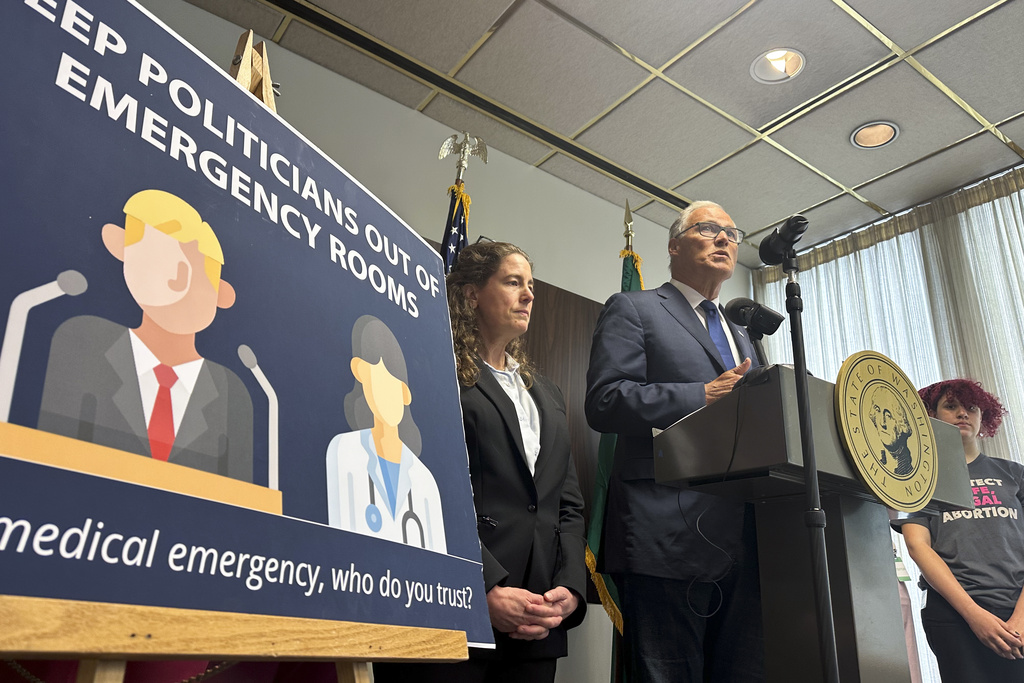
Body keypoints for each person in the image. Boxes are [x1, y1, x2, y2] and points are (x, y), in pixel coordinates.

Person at [375, 241, 586, 683]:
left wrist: (570, 590)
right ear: (472, 294)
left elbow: (566, 503)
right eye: (513, 282)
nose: (529, 295)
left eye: (530, 285)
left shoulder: (546, 393)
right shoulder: (435, 369)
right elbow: (424, 486)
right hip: (456, 608)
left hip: (538, 618)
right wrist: (481, 587)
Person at [585, 200, 763, 682]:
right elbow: (605, 401)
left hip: (745, 538)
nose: (725, 238)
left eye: (732, 232)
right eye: (708, 229)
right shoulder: (635, 308)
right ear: (673, 245)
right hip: (664, 531)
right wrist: (700, 395)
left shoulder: (742, 333)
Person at [37, 189, 253, 481]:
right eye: (160, 257)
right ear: (125, 254)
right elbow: (44, 465)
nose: (178, 282)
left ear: (219, 294)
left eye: (197, 271)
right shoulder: (84, 343)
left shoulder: (231, 393)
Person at [897, 379, 1024, 680]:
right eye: (951, 406)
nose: (962, 413)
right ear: (932, 416)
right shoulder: (920, 477)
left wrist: (1021, 617)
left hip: (1018, 609)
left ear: (984, 417)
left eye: (971, 407)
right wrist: (973, 615)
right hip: (954, 617)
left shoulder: (1014, 474)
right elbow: (918, 547)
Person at [325, 314, 447, 553]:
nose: (388, 394)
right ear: (360, 374)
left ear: (406, 394)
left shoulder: (426, 482)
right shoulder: (344, 452)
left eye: (396, 384)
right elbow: (339, 546)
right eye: (379, 379)